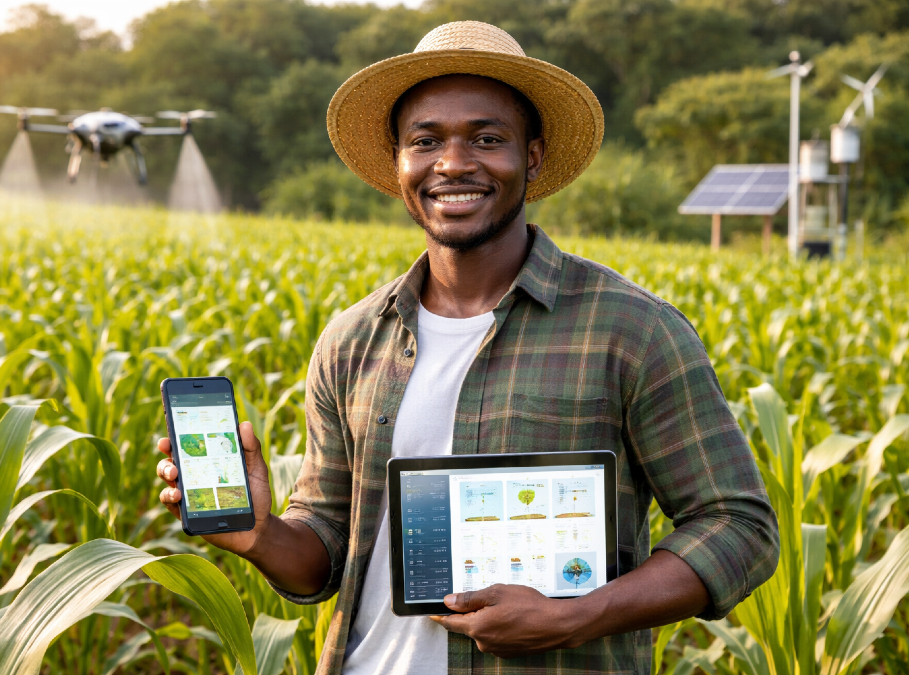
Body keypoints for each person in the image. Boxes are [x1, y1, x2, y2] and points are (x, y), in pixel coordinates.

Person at [156, 21, 780, 675]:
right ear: (399, 162)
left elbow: (739, 527)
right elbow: (325, 553)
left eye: (487, 138)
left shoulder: (632, 330)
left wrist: (576, 613)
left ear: (532, 157)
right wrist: (260, 531)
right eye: (425, 141)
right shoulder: (351, 340)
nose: (452, 163)